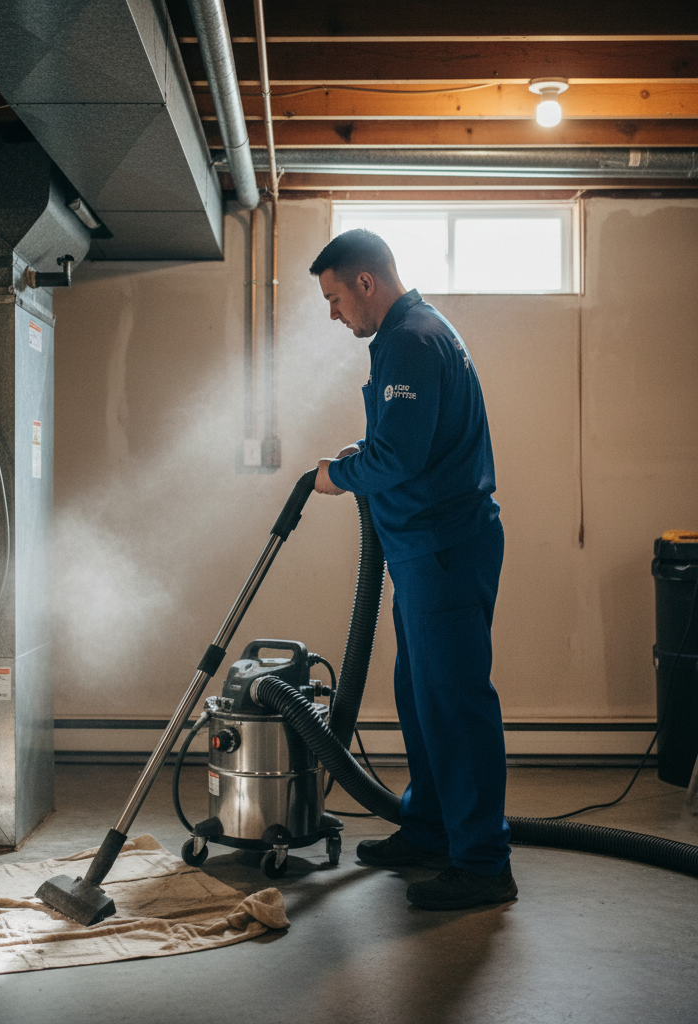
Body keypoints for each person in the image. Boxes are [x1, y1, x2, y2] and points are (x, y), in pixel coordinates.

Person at [309, 228, 517, 911]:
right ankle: (430, 828)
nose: (335, 314)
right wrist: (366, 453)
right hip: (423, 551)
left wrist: (339, 475)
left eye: (337, 298)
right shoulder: (415, 335)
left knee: (454, 703)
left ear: (366, 282)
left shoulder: (410, 339)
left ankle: (483, 863)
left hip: (443, 550)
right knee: (421, 697)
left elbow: (398, 460)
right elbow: (405, 443)